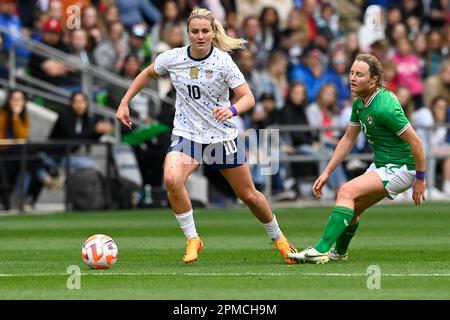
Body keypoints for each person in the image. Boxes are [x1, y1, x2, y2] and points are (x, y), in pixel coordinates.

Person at [115, 8, 299, 264]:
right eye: (194, 31)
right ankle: (193, 239)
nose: (200, 36)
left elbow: (248, 98)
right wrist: (125, 102)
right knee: (171, 178)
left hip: (221, 137)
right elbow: (147, 73)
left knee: (248, 195)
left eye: (205, 31)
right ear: (187, 33)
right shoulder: (173, 57)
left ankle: (279, 238)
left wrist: (231, 109)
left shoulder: (223, 62)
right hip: (187, 135)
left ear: (213, 32)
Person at [288, 53, 427, 264]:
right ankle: (339, 252)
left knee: (346, 191)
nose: (352, 78)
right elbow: (347, 139)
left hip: (402, 167)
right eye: (352, 73)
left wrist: (420, 179)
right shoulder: (360, 102)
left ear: (374, 80)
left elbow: (416, 142)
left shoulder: (386, 106)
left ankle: (319, 250)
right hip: (383, 164)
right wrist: (327, 172)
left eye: (360, 75)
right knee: (352, 207)